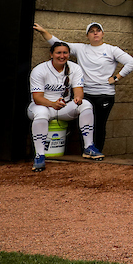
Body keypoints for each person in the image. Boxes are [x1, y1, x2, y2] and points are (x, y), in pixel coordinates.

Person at [32, 21, 133, 154]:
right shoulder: (81, 48)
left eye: (97, 30)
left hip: (104, 94)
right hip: (85, 93)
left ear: (102, 33)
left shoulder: (112, 50)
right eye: (91, 31)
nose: (95, 33)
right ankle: (85, 151)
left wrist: (116, 77)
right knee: (83, 124)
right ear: (87, 35)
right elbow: (57, 44)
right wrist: (43, 31)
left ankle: (97, 151)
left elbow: (131, 63)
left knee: (99, 125)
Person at [27, 41, 103, 171]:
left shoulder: (74, 68)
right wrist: (52, 104)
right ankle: (39, 155)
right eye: (58, 53)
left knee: (86, 104)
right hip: (42, 106)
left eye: (65, 53)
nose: (62, 56)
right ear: (51, 54)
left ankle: (88, 147)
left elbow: (78, 90)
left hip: (63, 107)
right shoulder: (39, 70)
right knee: (41, 113)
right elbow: (37, 98)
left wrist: (78, 98)